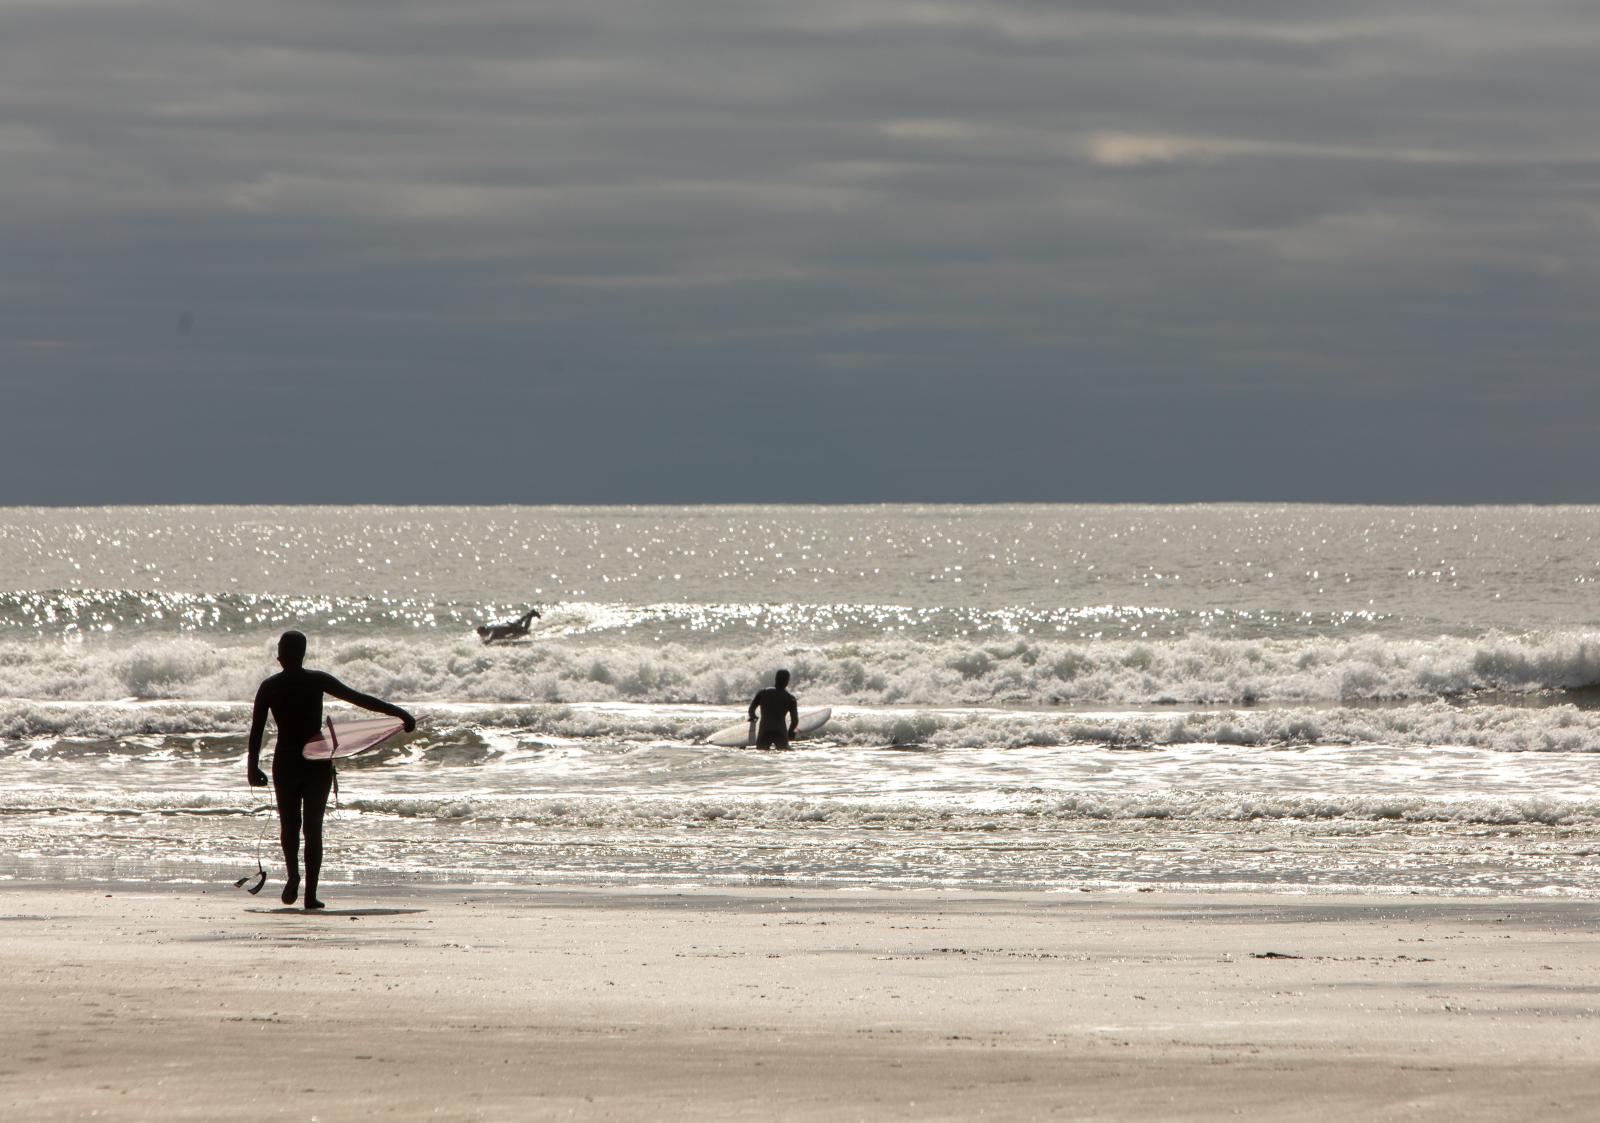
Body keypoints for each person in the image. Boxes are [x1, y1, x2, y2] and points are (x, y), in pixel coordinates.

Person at [247, 630, 415, 910]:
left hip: (286, 761)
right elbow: (360, 699)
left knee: (290, 826)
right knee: (313, 829)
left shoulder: (269, 686)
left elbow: (256, 732)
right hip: (316, 761)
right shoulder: (316, 680)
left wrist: (252, 767)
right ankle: (310, 894)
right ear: (302, 654)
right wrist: (399, 713)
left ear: (282, 655)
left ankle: (293, 877)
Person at [747, 668, 799, 750]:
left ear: (776, 679)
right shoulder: (790, 698)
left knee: (762, 755)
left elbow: (751, 709)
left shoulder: (763, 693)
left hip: (765, 730)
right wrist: (791, 732)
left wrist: (753, 717)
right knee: (782, 756)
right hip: (780, 731)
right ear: (787, 681)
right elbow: (795, 721)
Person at [476, 607, 541, 644]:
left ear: (483, 631)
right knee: (519, 621)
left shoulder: (490, 630)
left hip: (512, 628)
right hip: (509, 625)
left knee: (526, 630)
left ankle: (530, 616)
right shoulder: (489, 628)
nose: (480, 635)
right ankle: (530, 614)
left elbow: (492, 635)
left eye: (480, 633)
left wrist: (488, 641)